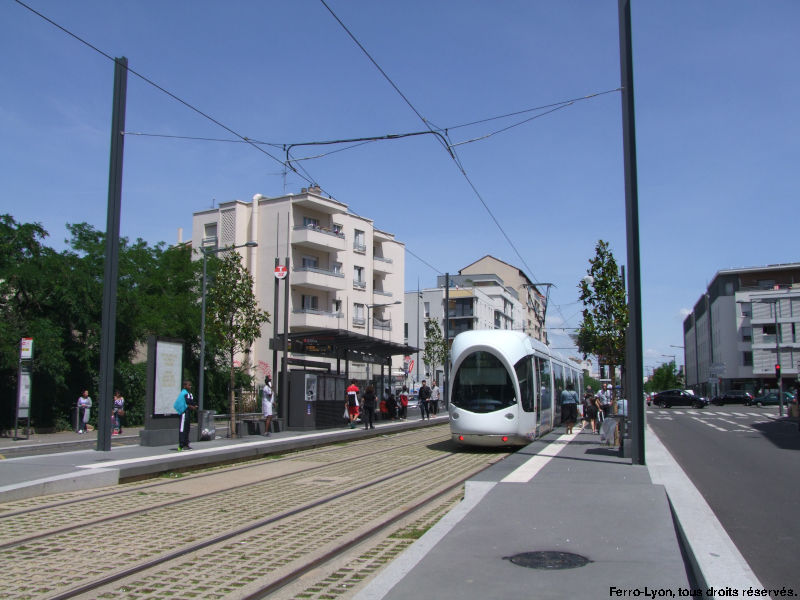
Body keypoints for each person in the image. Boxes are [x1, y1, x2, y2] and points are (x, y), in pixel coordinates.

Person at [174, 380, 197, 451]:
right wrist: (193, 406)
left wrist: (193, 405)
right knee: (183, 429)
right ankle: (181, 445)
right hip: (184, 412)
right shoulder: (184, 393)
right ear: (184, 386)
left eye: (190, 385)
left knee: (187, 428)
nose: (190, 386)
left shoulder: (188, 393)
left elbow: (190, 401)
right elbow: (187, 402)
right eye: (189, 385)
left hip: (187, 412)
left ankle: (186, 444)